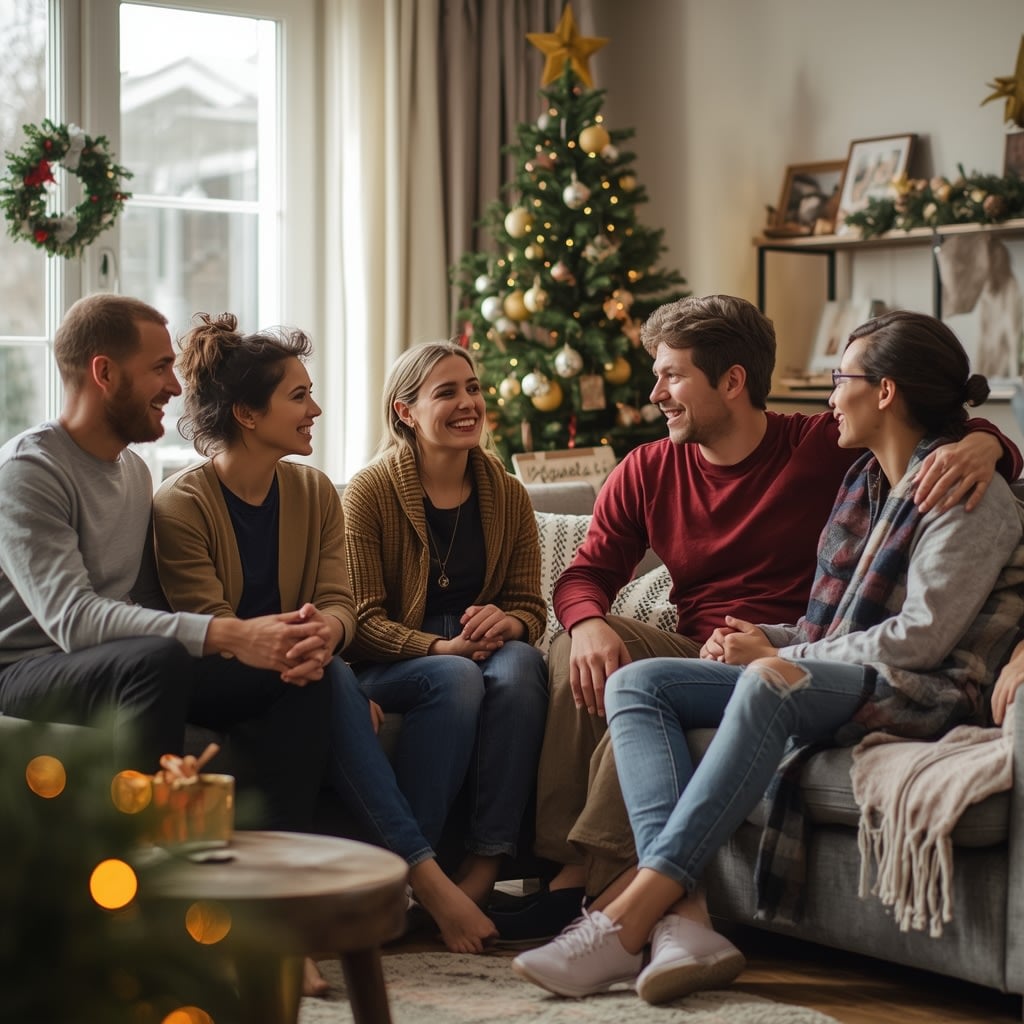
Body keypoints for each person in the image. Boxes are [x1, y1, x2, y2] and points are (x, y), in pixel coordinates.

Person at [513, 309, 1024, 1004]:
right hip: (779, 649)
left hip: (914, 682)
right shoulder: (865, 481)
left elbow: (922, 637)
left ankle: (625, 914)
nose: (829, 394)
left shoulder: (922, 476)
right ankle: (683, 919)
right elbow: (589, 575)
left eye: (840, 378)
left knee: (768, 682)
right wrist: (593, 623)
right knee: (637, 684)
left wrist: (988, 443)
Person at [0, 295, 330, 799]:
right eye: (159, 368)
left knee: (296, 672)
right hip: (25, 669)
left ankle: (279, 842)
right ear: (105, 373)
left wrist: (272, 648)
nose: (175, 388)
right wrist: (231, 634)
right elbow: (73, 620)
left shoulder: (134, 471)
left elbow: (145, 600)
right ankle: (141, 839)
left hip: (117, 660)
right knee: (157, 660)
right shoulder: (30, 471)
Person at [150, 311, 366, 995]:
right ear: (247, 413)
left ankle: (283, 917)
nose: (315, 410)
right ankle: (284, 926)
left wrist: (327, 635)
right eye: (299, 396)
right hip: (208, 673)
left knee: (313, 681)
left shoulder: (315, 490)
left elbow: (340, 601)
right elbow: (207, 623)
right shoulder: (181, 503)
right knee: (313, 684)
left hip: (292, 666)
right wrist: (305, 650)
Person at [341, 340, 549, 952]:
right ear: (405, 412)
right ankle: (413, 873)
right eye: (447, 393)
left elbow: (529, 606)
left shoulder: (507, 493)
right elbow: (360, 620)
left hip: (477, 645)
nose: (468, 404)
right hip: (390, 660)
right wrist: (439, 647)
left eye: (473, 388)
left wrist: (509, 625)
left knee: (522, 668)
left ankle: (484, 866)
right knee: (456, 678)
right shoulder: (369, 492)